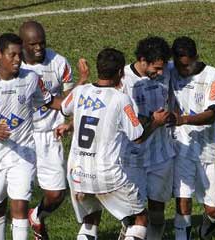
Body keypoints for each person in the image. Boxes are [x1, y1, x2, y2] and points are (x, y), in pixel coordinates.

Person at [56, 48, 159, 240]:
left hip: (77, 173)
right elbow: (137, 137)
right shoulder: (120, 99)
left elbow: (64, 107)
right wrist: (156, 122)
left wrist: (82, 79)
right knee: (140, 219)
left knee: (91, 217)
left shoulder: (80, 91)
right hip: (106, 174)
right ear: (121, 72)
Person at [0, 33, 60, 240]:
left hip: (23, 153)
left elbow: (50, 101)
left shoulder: (30, 79)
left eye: (19, 55)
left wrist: (80, 97)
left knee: (20, 204)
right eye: (12, 55)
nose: (17, 60)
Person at [19, 20, 88, 240]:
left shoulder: (59, 62)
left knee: (56, 194)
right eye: (33, 44)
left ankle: (36, 216)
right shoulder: (15, 67)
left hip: (49, 135)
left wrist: (70, 123)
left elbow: (70, 102)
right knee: (18, 194)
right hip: (21, 138)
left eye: (42, 43)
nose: (39, 48)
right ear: (22, 44)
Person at [118, 36, 175, 240]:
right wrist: (154, 121)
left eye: (162, 68)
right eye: (156, 69)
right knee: (135, 214)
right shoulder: (123, 79)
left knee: (158, 212)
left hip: (161, 154)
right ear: (142, 60)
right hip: (133, 157)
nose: (161, 73)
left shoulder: (166, 69)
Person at [169, 36, 215, 240]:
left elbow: (212, 113)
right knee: (183, 199)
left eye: (187, 65)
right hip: (181, 147)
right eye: (179, 65)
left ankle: (204, 233)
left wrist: (183, 119)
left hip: (209, 148)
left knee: (214, 211)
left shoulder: (212, 75)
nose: (183, 71)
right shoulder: (170, 69)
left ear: (196, 57)